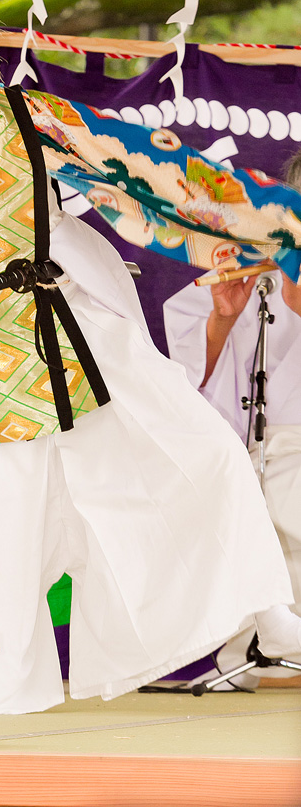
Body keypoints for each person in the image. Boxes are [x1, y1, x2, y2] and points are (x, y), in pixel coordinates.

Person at [0, 0, 301, 715]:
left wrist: (261, 225)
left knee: (201, 453)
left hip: (76, 337)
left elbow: (150, 173)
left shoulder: (32, 120)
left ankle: (259, 606)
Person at [164, 153, 301, 627]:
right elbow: (190, 384)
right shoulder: (252, 266)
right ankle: (259, 642)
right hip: (252, 449)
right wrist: (223, 316)